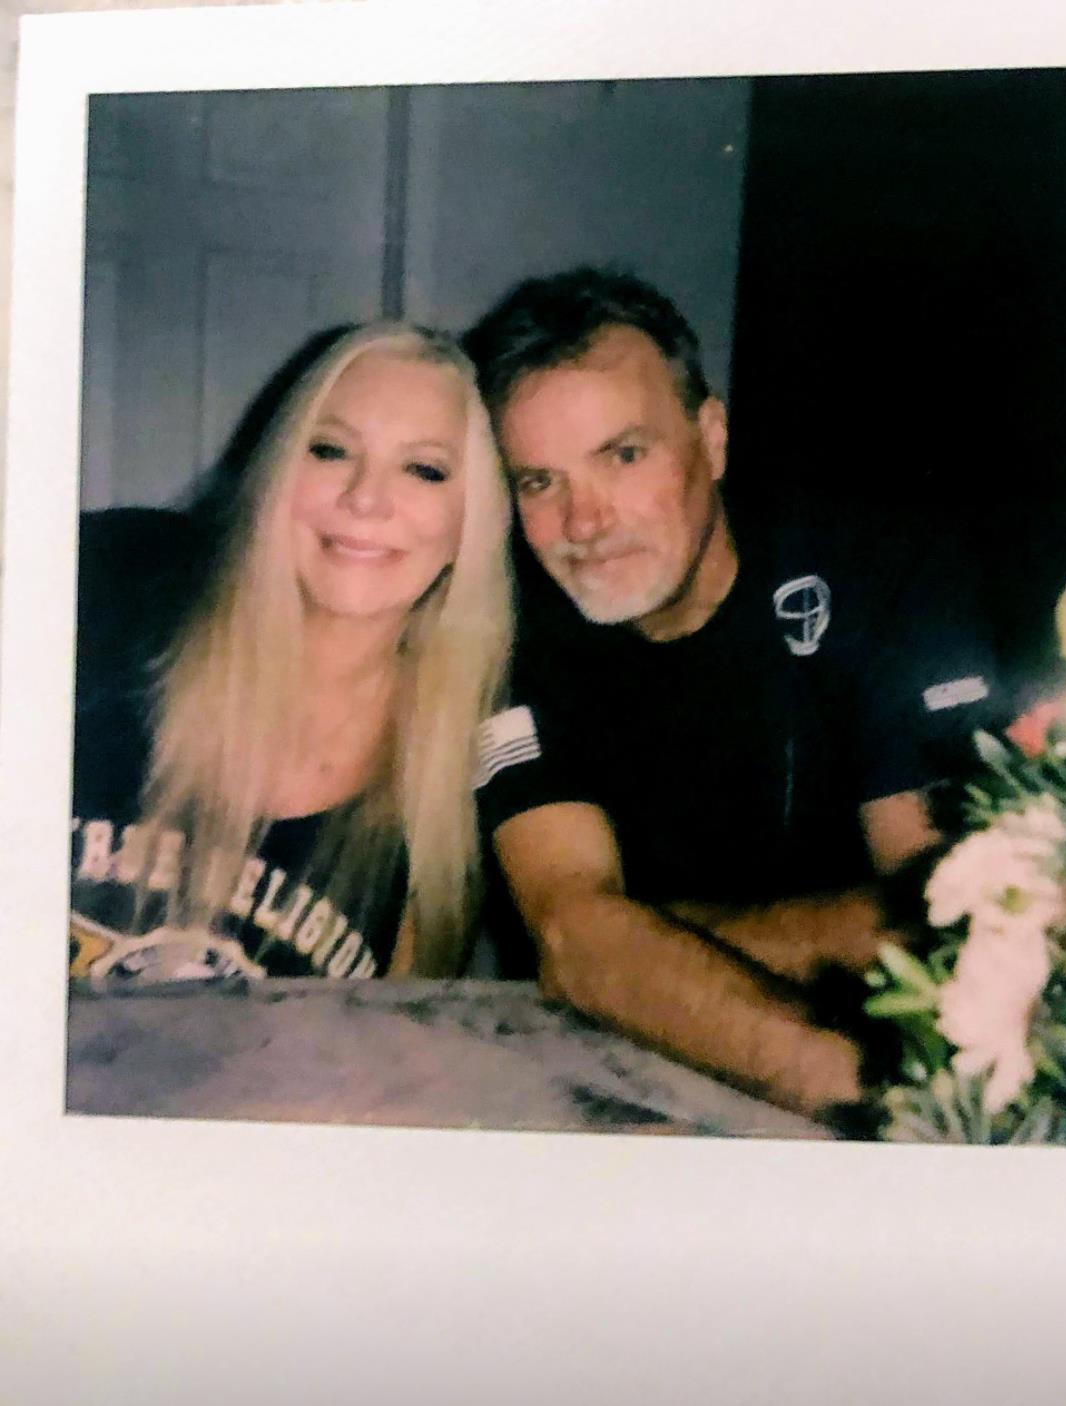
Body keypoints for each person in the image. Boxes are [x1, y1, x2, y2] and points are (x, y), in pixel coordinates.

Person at [464, 267, 1010, 1119]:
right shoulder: (504, 637)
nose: (584, 523)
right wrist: (887, 1109)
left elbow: (949, 917)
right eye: (540, 481)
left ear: (711, 439)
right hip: (627, 1078)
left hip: (887, 1040)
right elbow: (573, 936)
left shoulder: (879, 574)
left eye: (624, 455)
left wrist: (645, 946)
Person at [70, 322, 513, 987]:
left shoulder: (471, 774)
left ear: (471, 523)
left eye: (424, 469)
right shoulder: (107, 590)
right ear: (274, 473)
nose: (366, 498)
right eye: (330, 450)